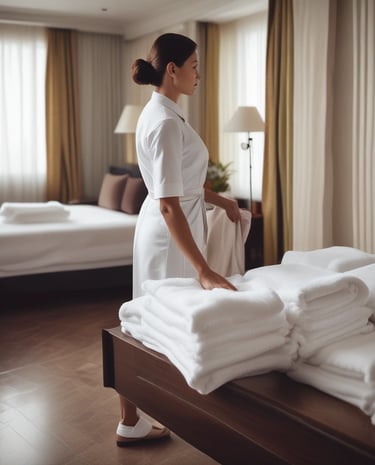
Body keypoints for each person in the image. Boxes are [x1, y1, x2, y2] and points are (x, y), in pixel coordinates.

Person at [116, 32, 241, 446]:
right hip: (170, 232)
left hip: (167, 227)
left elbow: (181, 186)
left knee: (149, 318)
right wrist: (203, 269)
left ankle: (131, 420)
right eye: (194, 66)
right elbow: (170, 202)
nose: (198, 74)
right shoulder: (167, 122)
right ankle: (149, 413)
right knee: (157, 322)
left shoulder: (160, 114)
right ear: (172, 70)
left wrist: (221, 201)